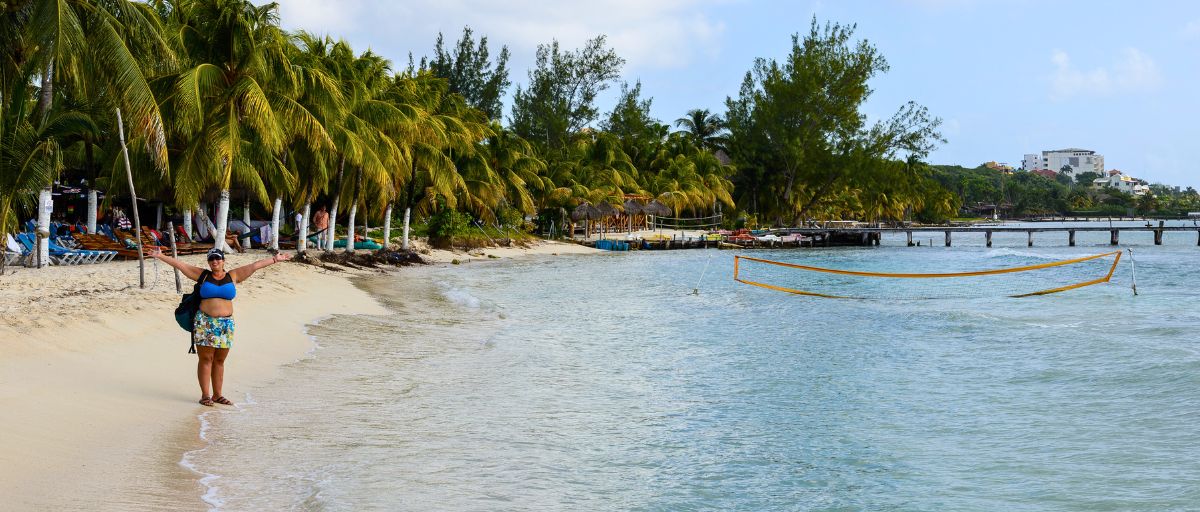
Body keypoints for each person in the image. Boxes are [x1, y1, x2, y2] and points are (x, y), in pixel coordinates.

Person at [150, 246, 292, 406]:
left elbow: (254, 266)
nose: (215, 261)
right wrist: (161, 256)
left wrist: (274, 259)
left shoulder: (233, 275)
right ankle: (205, 395)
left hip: (226, 324)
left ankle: (218, 395)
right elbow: (182, 265)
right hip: (205, 322)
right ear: (209, 262)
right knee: (206, 358)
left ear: (223, 260)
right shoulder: (203, 275)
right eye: (211, 259)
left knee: (219, 360)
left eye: (218, 258)